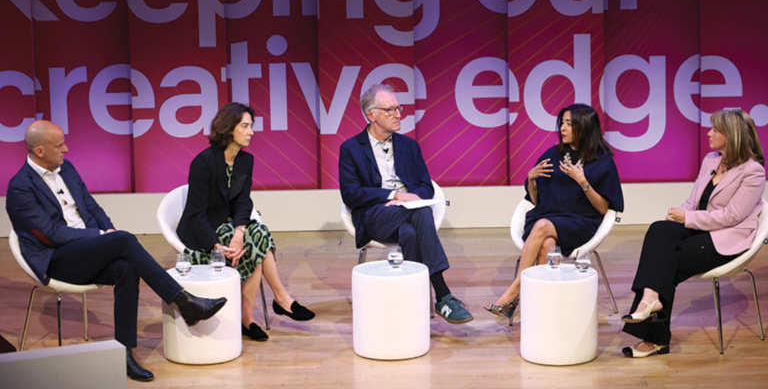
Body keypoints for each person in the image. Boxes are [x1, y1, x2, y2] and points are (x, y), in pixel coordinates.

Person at [6, 121, 226, 382]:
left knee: (126, 267)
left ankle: (124, 352)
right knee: (123, 240)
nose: (66, 149)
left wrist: (107, 231)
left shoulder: (66, 168)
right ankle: (184, 302)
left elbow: (93, 207)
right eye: (59, 146)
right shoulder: (20, 187)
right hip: (57, 259)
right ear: (39, 151)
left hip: (86, 249)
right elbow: (52, 235)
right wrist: (103, 236)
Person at [620, 109, 765, 358]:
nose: (709, 133)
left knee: (666, 264)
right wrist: (679, 214)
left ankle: (655, 334)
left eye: (716, 130)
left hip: (727, 239)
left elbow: (732, 216)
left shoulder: (753, 171)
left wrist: (687, 218)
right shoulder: (711, 160)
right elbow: (694, 201)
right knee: (659, 229)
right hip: (701, 228)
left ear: (732, 136)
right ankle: (651, 301)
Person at [177, 102, 314, 342]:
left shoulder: (245, 161)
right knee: (257, 242)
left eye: (251, 126)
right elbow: (196, 215)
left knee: (255, 234)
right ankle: (276, 302)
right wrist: (216, 247)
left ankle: (256, 312)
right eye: (246, 126)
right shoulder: (203, 162)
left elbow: (244, 202)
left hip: (229, 226)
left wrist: (239, 231)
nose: (251, 132)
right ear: (229, 129)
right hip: (202, 233)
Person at [338, 84, 473, 324]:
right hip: (375, 216)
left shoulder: (410, 146)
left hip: (409, 214)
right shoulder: (350, 149)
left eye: (398, 108)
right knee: (419, 213)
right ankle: (442, 295)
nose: (399, 114)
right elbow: (351, 194)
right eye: (390, 110)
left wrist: (413, 198)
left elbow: (425, 185)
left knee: (410, 232)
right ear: (371, 115)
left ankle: (413, 302)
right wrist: (393, 196)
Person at [485, 103, 624, 319]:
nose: (563, 128)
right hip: (546, 217)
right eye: (562, 123)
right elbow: (535, 200)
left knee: (542, 228)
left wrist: (583, 182)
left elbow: (603, 207)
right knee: (548, 245)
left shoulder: (602, 161)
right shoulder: (553, 153)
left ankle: (514, 291)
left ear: (585, 127)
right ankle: (541, 309)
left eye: (570, 124)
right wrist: (531, 180)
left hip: (579, 223)